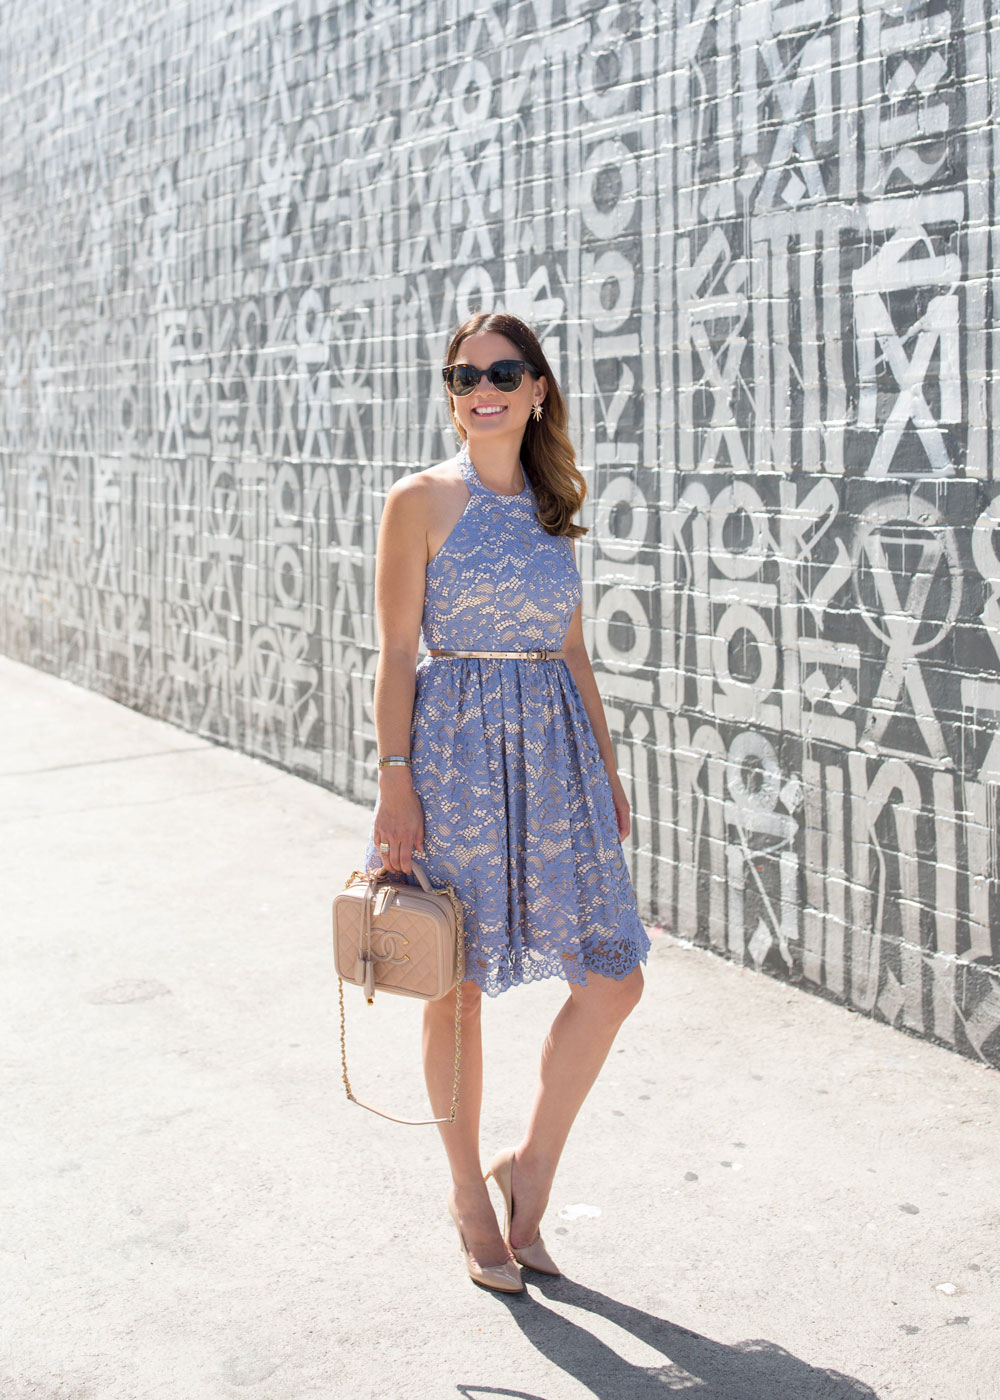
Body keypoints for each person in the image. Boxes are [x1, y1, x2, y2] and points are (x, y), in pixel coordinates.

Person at [365, 310, 649, 1294]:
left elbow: (573, 650)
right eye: (461, 374)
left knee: (614, 976)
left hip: (557, 757)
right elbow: (396, 653)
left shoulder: (551, 504)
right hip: (449, 758)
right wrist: (393, 777)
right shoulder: (420, 500)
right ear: (449, 393)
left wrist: (606, 767)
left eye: (503, 370)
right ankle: (467, 1193)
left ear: (537, 390)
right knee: (458, 983)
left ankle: (529, 1171)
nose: (480, 387)